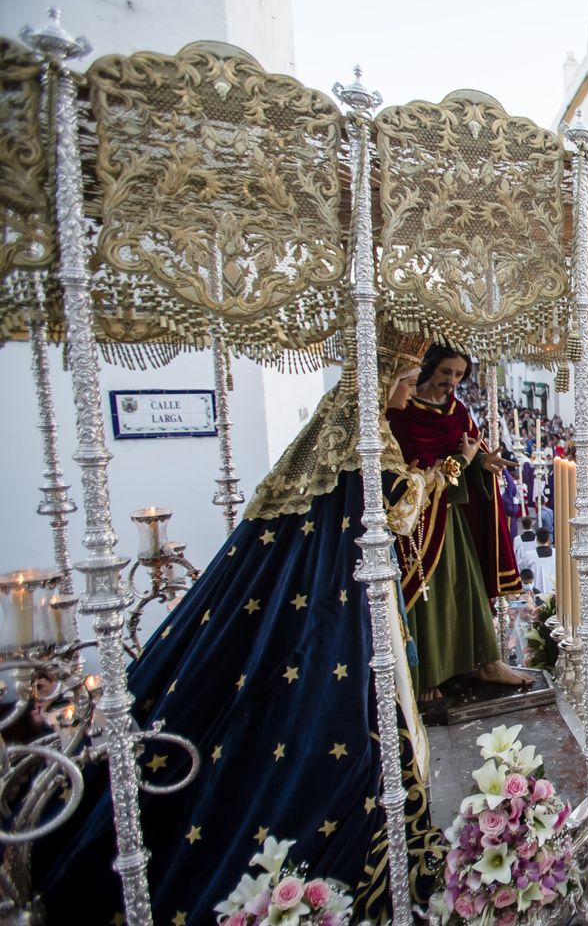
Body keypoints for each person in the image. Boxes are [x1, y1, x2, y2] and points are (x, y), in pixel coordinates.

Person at [40, 330, 440, 923]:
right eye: (406, 383)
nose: (410, 396)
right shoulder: (366, 443)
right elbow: (395, 509)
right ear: (382, 381)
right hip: (341, 609)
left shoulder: (338, 438)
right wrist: (437, 476)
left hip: (345, 593)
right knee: (352, 726)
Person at [387, 343, 530, 696]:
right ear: (427, 370)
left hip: (452, 518)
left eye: (459, 375)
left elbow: (467, 450)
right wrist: (465, 461)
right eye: (446, 372)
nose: (452, 381)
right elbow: (418, 474)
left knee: (467, 589)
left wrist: (481, 463)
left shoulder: (456, 410)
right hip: (417, 523)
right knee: (427, 597)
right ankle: (428, 674)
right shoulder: (401, 414)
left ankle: (487, 662)